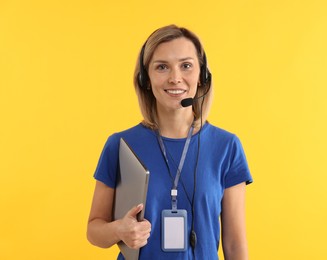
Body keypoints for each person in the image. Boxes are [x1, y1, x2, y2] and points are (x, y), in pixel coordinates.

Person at [87, 24, 253, 260]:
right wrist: (119, 230)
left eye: (186, 66)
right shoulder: (120, 145)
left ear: (201, 76)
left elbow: (235, 245)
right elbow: (94, 230)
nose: (175, 78)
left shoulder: (227, 147)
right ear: (145, 78)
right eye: (162, 67)